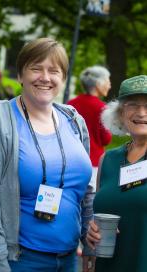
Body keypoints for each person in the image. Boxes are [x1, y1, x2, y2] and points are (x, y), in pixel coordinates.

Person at [0, 37, 93, 271]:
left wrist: (89, 239)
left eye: (54, 71)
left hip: (67, 260)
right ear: (20, 75)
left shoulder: (74, 120)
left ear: (63, 78)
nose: (45, 78)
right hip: (16, 260)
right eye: (36, 68)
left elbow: (85, 191)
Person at [86, 75, 147, 272]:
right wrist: (91, 233)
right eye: (132, 105)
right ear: (120, 113)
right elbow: (98, 213)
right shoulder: (108, 160)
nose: (141, 112)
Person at [68, 66, 112, 192]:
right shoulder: (103, 108)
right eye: (108, 81)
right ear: (98, 84)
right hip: (92, 163)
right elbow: (106, 139)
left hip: (71, 159)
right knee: (89, 201)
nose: (109, 85)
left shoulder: (71, 103)